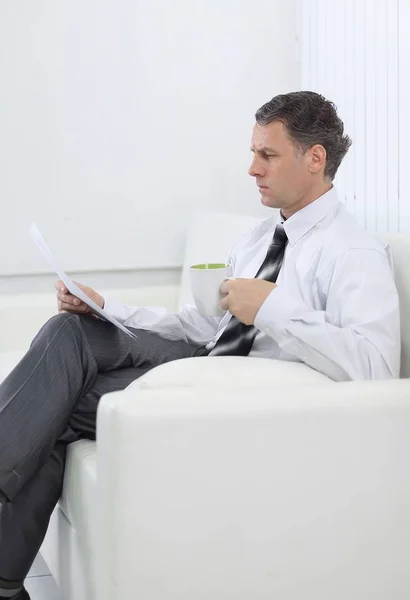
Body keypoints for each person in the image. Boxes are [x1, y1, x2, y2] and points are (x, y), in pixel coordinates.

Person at [0, 90, 400, 599]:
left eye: (267, 154)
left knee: (55, 406)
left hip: (239, 390)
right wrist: (108, 307)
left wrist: (273, 307)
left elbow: (377, 366)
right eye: (254, 152)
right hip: (207, 357)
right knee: (70, 332)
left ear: (315, 158)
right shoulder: (259, 239)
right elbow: (201, 326)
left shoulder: (354, 252)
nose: (252, 168)